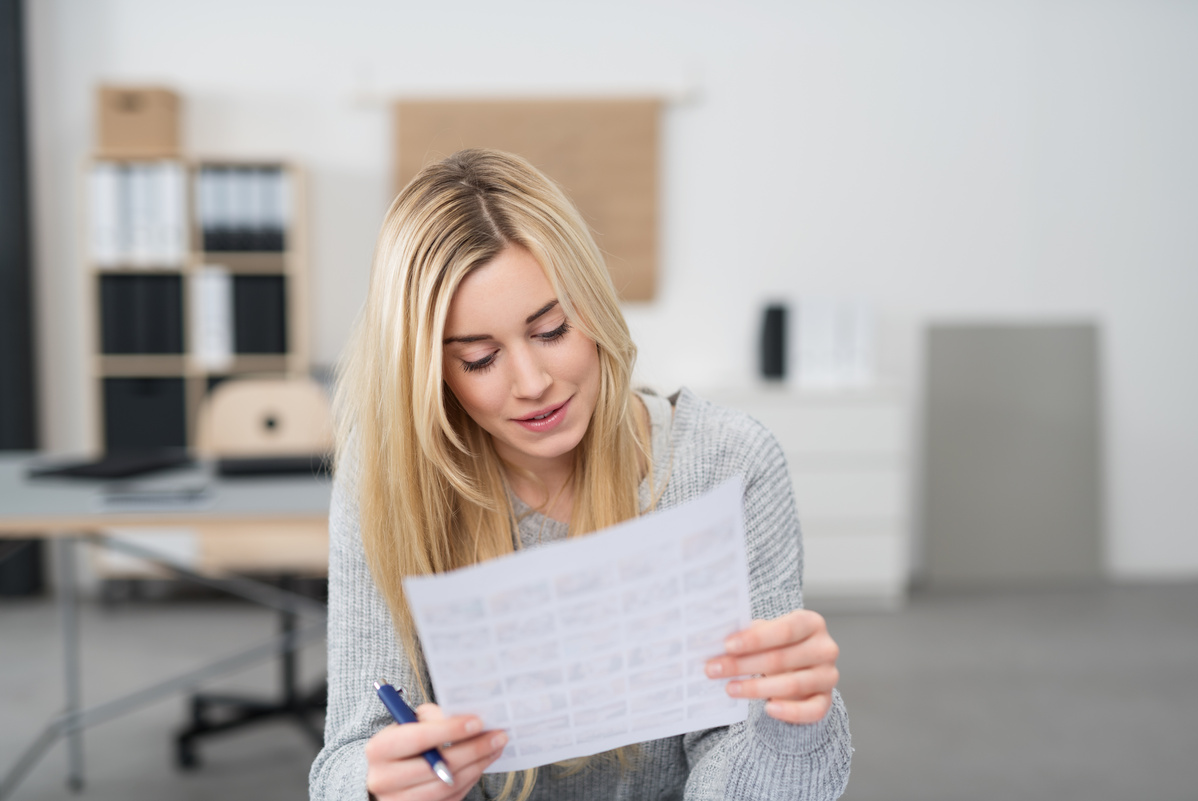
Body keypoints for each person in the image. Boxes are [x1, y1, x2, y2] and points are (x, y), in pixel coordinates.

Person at [310, 148, 852, 801]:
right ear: (430, 375)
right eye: (480, 359)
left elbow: (753, 766)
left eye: (552, 328)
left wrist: (791, 719)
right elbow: (347, 753)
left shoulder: (727, 462)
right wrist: (378, 786)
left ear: (592, 304)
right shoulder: (388, 475)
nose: (534, 384)